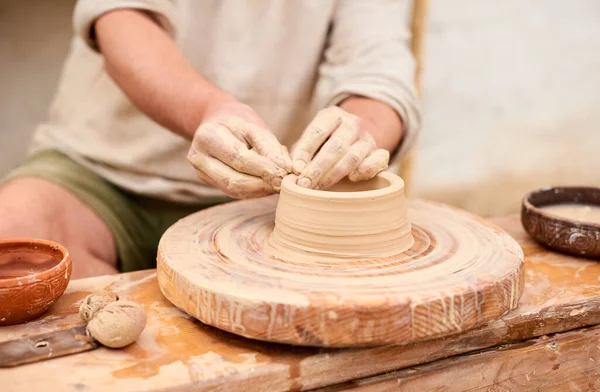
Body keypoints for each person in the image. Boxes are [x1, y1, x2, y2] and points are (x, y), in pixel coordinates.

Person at [0, 0, 421, 278]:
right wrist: (207, 109)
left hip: (267, 196)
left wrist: (360, 130)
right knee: (14, 240)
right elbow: (122, 20)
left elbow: (378, 67)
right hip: (104, 176)